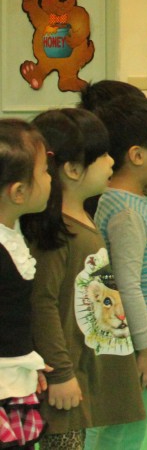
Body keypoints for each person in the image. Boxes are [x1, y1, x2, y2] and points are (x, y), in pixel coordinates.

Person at [22, 110, 146, 449]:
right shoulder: (56, 234)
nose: (111, 161)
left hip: (83, 367)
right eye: (102, 154)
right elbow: (43, 304)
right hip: (65, 374)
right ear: (73, 170)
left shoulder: (83, 218)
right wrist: (61, 373)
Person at [86, 97, 147, 449]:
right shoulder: (128, 213)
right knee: (126, 425)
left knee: (114, 420)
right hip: (133, 335)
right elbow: (128, 285)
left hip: (129, 333)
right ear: (137, 155)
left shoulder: (120, 202)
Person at [0, 119, 52, 449]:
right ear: (19, 192)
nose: (51, 179)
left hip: (14, 380)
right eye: (45, 171)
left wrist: (28, 361)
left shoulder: (12, 234)